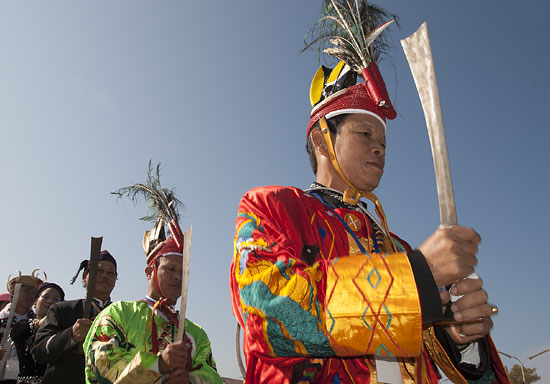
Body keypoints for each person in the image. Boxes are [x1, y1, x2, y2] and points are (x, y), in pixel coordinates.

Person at [229, 2, 509, 383]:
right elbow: (265, 310)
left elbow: (427, 353)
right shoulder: (272, 207)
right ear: (322, 140)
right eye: (365, 134)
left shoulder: (397, 246)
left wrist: (458, 337)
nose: (380, 148)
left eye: (384, 142)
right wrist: (418, 279)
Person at [84, 165, 222, 384]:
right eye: (170, 269)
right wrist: (158, 365)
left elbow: (213, 376)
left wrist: (191, 380)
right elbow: (100, 363)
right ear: (150, 271)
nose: (178, 277)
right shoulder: (119, 314)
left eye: (183, 272)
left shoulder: (196, 334)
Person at [31, 251, 117, 384]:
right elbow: (39, 351)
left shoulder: (121, 314)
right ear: (84, 276)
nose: (105, 276)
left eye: (111, 273)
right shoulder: (62, 309)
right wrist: (71, 335)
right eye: (99, 270)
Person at [10, 283, 65, 384]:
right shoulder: (23, 325)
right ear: (35, 302)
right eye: (45, 297)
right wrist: (41, 322)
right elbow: (17, 334)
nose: (50, 301)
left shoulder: (65, 331)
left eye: (56, 299)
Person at [0, 271, 44, 384]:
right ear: (15, 292)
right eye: (28, 290)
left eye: (35, 292)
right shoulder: (1, 318)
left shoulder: (36, 322)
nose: (32, 295)